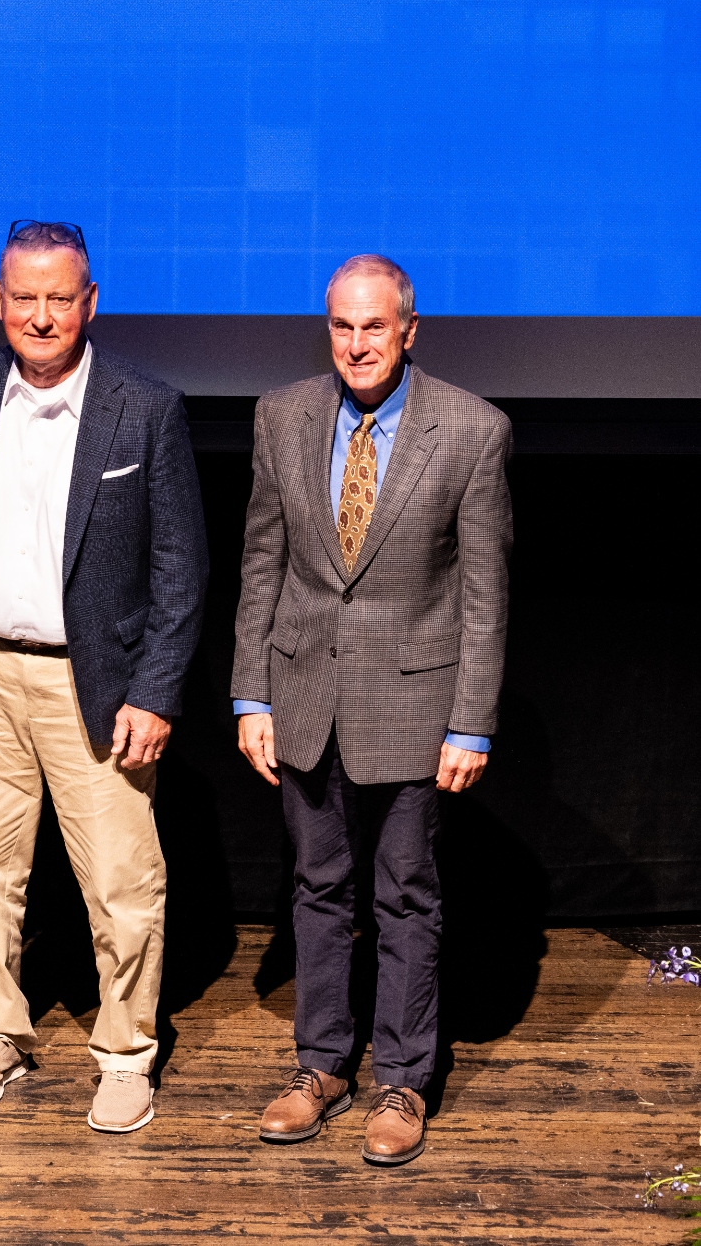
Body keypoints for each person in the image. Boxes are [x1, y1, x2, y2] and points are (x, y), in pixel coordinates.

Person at [0, 220, 207, 1133]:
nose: (41, 314)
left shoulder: (145, 405)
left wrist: (156, 688)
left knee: (120, 880)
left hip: (95, 685)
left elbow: (182, 568)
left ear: (90, 303)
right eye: (23, 297)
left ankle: (125, 1053)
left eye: (60, 297)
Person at [232, 254, 511, 1166]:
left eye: (375, 327)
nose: (357, 344)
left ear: (409, 329)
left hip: (414, 707)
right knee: (316, 892)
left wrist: (470, 721)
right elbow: (262, 566)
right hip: (305, 694)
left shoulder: (471, 430)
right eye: (342, 327)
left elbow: (483, 596)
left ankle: (401, 1077)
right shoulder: (283, 416)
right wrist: (250, 694)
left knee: (404, 896)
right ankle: (321, 1066)